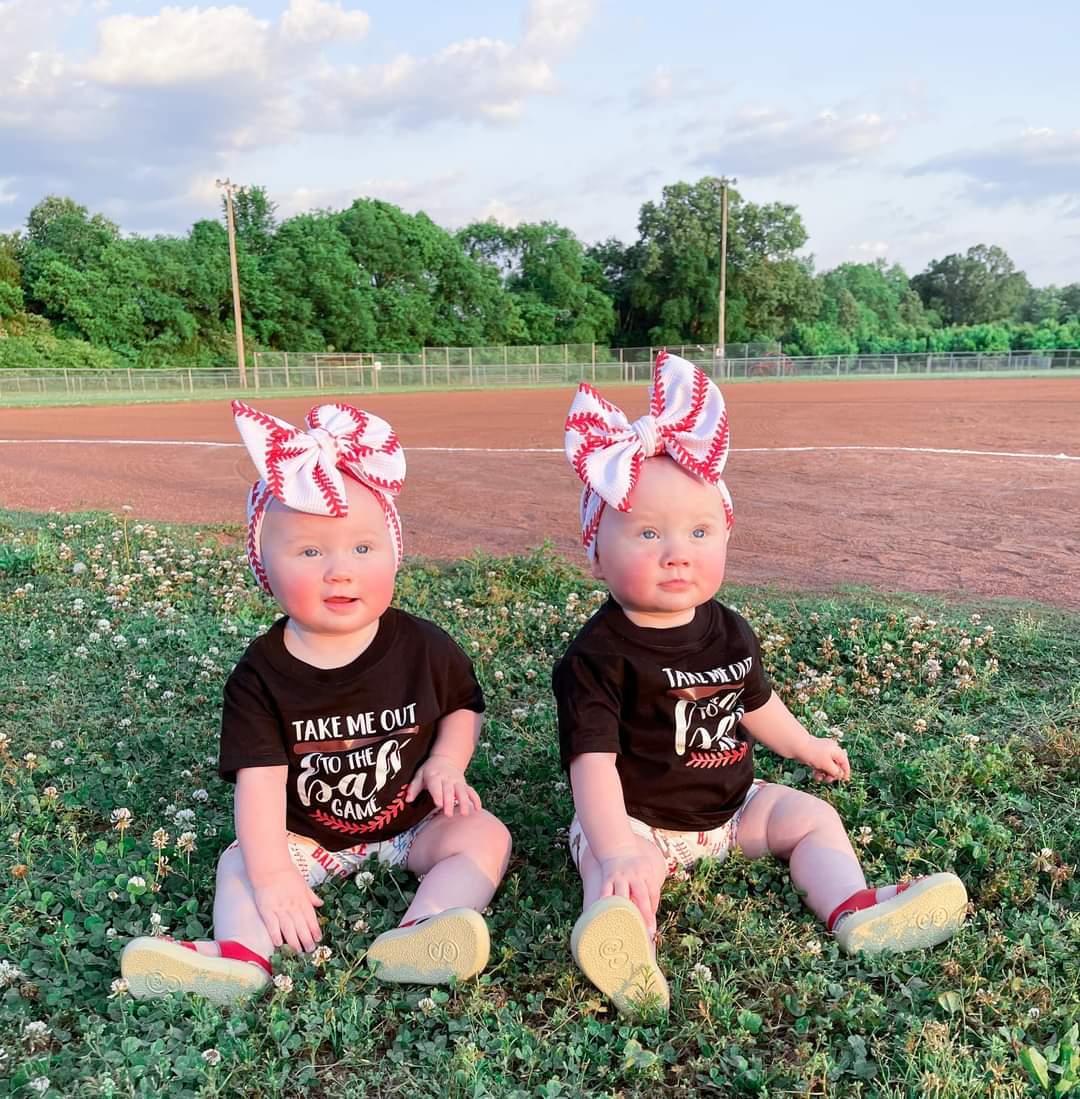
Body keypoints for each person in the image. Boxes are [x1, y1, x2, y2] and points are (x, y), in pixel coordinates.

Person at [553, 352, 968, 1016]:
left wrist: (804, 746)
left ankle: (853, 907)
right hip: (640, 818)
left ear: (726, 534)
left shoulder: (729, 628)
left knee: (812, 817)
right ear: (596, 548)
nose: (676, 551)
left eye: (698, 530)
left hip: (733, 807)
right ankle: (626, 947)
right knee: (620, 878)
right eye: (648, 532)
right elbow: (592, 765)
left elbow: (755, 703)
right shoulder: (597, 654)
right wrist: (614, 845)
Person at [121, 401, 511, 1004]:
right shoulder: (261, 675)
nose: (340, 571)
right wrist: (275, 875)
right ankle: (242, 960)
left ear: (393, 551)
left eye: (363, 547)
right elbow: (259, 785)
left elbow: (464, 703)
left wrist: (447, 762)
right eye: (309, 553)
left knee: (485, 836)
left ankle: (421, 932)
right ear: (265, 569)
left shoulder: (423, 646)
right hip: (307, 840)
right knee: (240, 864)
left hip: (410, 828)